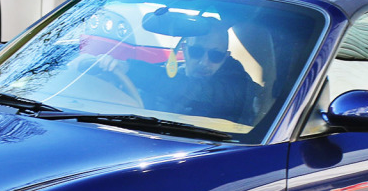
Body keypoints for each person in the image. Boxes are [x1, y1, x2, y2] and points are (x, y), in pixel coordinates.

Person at [82, 24, 260, 124]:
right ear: (184, 49)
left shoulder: (238, 86)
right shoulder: (174, 74)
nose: (204, 62)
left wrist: (131, 69)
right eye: (197, 51)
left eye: (215, 55)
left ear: (226, 57)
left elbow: (191, 90)